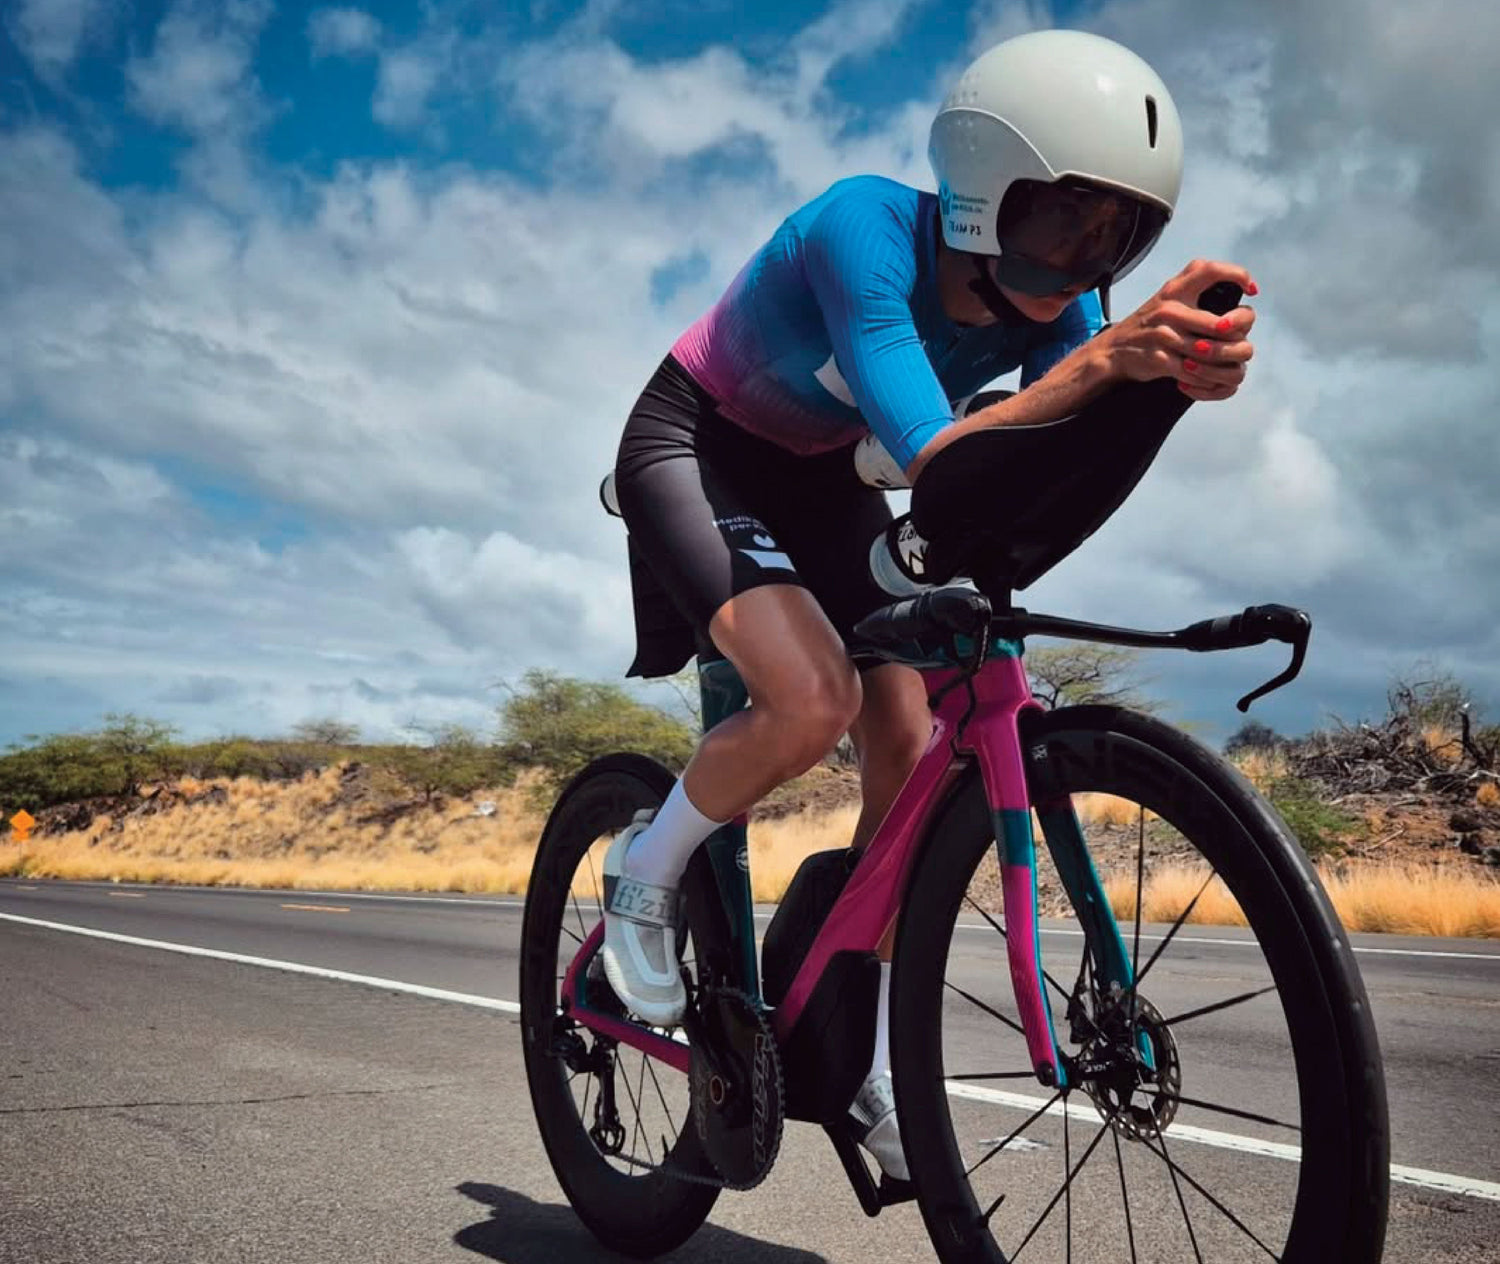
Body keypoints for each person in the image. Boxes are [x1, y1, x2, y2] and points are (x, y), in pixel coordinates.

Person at [600, 28, 1257, 1182]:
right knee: (811, 702)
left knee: (911, 740)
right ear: (978, 193)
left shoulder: (1053, 319)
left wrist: (1167, 376)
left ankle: (862, 1055)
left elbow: (1057, 446)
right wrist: (1108, 365)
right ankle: (643, 874)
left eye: (1116, 238)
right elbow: (940, 454)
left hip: (824, 478)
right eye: (1064, 222)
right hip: (697, 442)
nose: (1079, 264)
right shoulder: (864, 228)